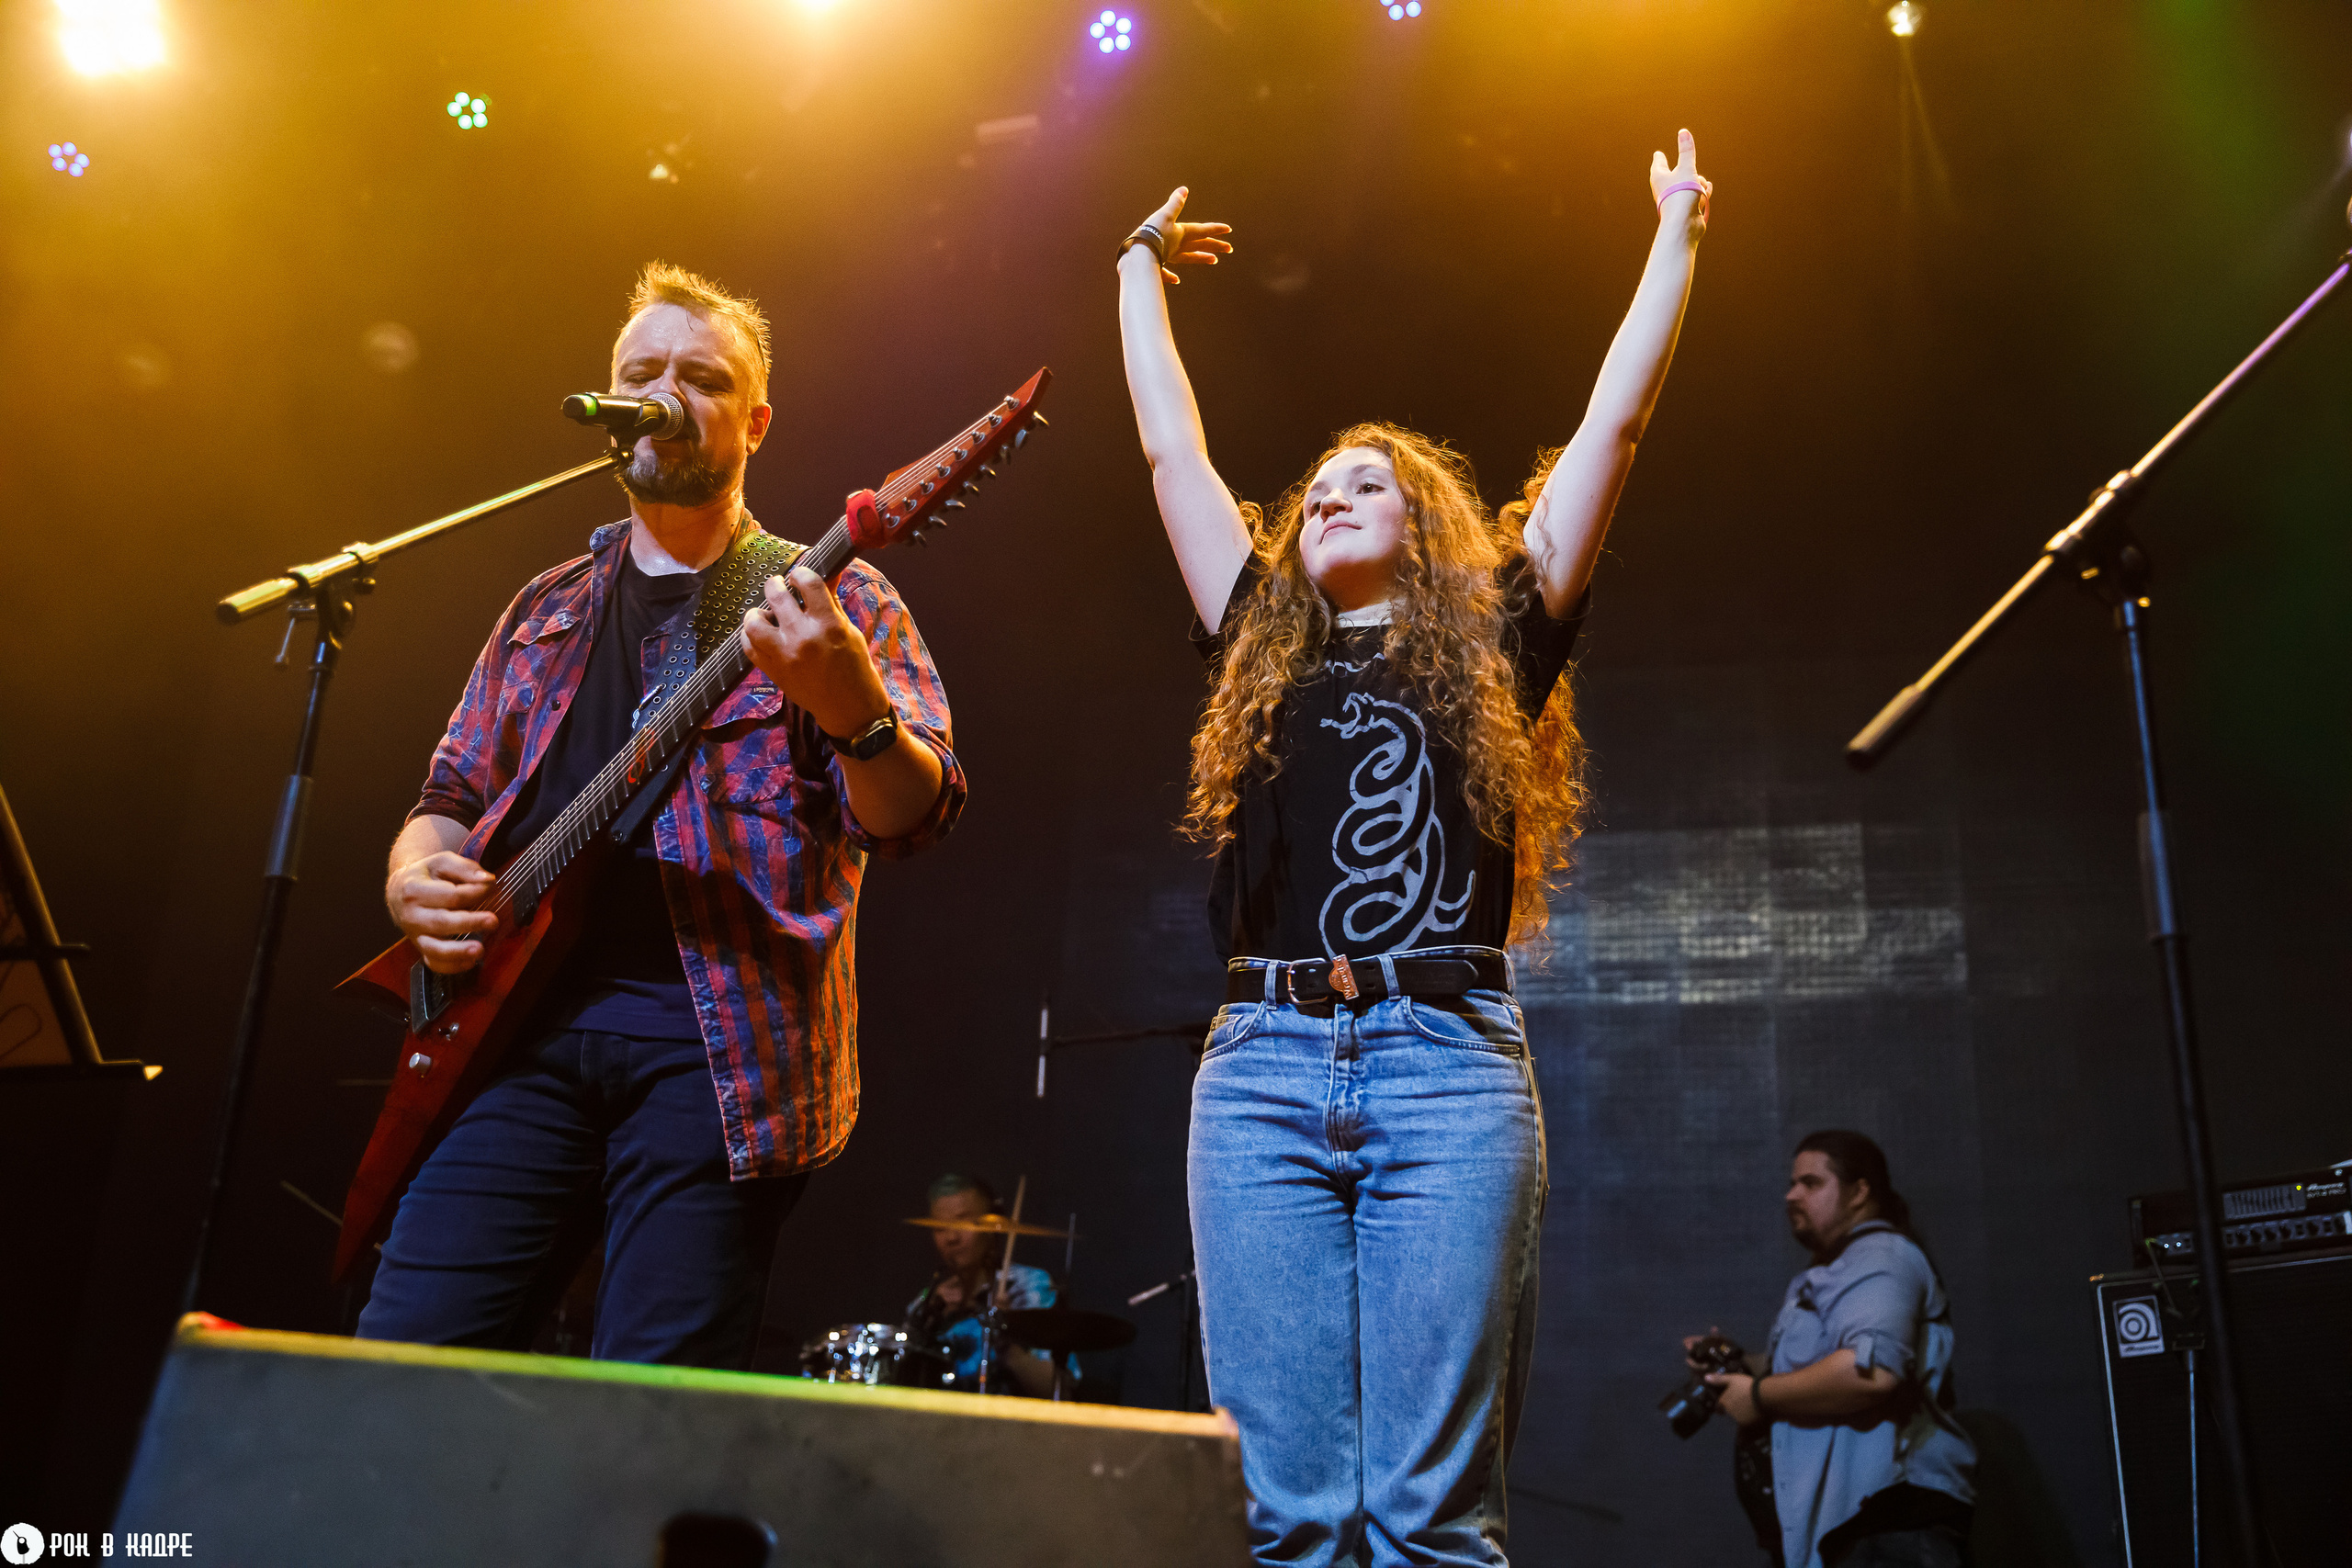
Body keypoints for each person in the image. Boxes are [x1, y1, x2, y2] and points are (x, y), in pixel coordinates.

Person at [1114, 131, 1712, 1564]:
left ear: (1428, 525)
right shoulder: (1259, 633)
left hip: (1445, 1059)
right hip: (1258, 1066)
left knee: (1434, 1520)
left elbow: (1613, 427)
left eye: (1366, 482)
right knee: (1288, 1517)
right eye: (1317, 482)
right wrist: (1134, 270)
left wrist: (1678, 235)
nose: (1329, 492)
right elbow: (1168, 449)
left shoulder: (1500, 629)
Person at [356, 262, 966, 1369]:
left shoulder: (832, 598)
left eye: (702, 377)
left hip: (717, 1060)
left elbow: (912, 818)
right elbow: (446, 800)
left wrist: (850, 707)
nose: (664, 393)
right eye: (640, 374)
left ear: (755, 420)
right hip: (514, 1036)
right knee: (405, 1368)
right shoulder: (547, 605)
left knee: (647, 1402)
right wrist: (413, 877)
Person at [1686, 1133, 1976, 1568]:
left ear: (1860, 1191)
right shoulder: (1841, 1267)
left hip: (1886, 1528)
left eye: (1811, 1183)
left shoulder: (1883, 1258)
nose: (1791, 1195)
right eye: (1791, 1183)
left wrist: (1758, 1396)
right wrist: (1740, 1364)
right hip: (1850, 1536)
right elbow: (1822, 1363)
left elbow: (1871, 1373)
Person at [905, 1173, 1062, 1397]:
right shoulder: (924, 1305)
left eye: (963, 1222)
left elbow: (1056, 1390)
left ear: (993, 1225)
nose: (951, 1237)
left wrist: (1009, 1346)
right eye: (939, 1227)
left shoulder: (1027, 1287)